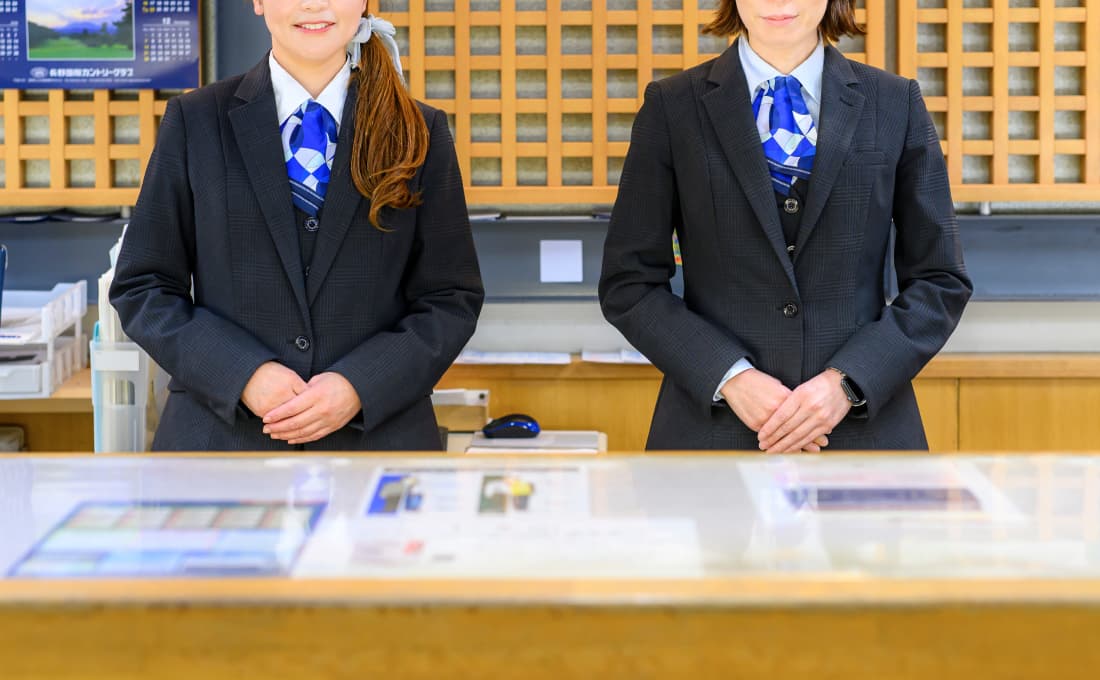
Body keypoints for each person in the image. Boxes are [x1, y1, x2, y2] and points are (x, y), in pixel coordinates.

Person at [599, 0, 971, 452]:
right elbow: (629, 283)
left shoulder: (895, 102)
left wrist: (846, 384)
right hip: (713, 434)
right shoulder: (672, 106)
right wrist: (730, 377)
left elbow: (940, 280)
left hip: (860, 434)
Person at [110, 0, 483, 451]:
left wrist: (359, 385)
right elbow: (143, 286)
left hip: (375, 446)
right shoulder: (195, 121)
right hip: (222, 446)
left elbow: (451, 299)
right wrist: (243, 374)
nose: (314, 4)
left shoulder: (418, 129)